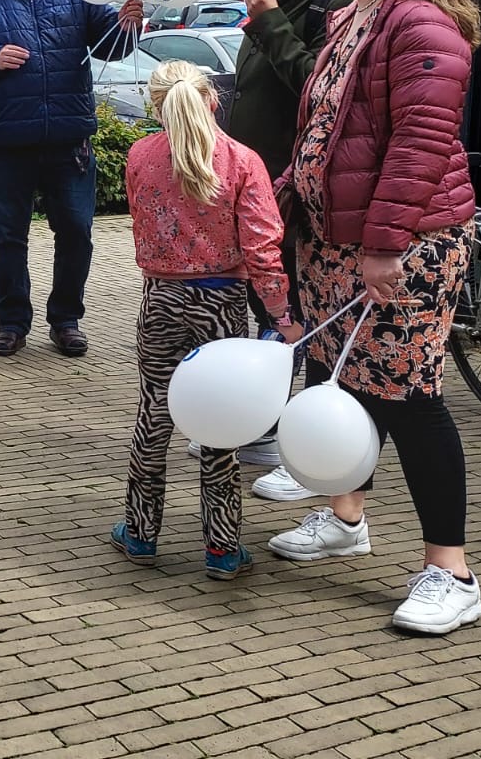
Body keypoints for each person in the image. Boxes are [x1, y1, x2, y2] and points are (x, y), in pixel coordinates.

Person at [266, 0, 481, 636]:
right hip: (339, 245)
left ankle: (450, 571)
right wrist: (283, 200)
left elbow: (419, 144)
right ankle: (347, 516)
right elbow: (325, 130)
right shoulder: (349, 18)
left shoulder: (421, 23)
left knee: (410, 398)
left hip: (401, 246)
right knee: (349, 382)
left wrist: (385, 246)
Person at [111, 62, 304, 580]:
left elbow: (139, 221)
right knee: (218, 419)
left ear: (157, 107)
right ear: (213, 100)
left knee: (154, 412)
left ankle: (140, 533)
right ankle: (221, 547)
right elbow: (264, 250)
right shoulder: (242, 161)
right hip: (220, 302)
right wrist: (283, 316)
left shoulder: (140, 156)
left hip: (160, 298)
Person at [0, 0, 139, 358]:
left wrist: (130, 22)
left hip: (69, 137)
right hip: (7, 139)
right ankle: (11, 323)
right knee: (9, 236)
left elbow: (113, 46)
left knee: (77, 231)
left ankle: (66, 319)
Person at [228, 0, 351, 496]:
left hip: (301, 195)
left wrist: (272, 23)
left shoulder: (326, 6)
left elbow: (314, 88)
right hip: (260, 191)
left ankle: (310, 452)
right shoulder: (269, 4)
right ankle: (268, 426)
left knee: (303, 315)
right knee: (272, 308)